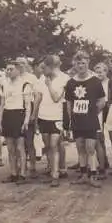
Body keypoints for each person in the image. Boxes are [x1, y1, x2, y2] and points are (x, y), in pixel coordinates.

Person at [65, 51, 106, 188]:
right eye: (78, 63)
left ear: (88, 63)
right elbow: (69, 103)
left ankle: (93, 174)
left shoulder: (95, 81)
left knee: (90, 147)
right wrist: (71, 119)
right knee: (80, 147)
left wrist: (93, 112)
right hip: (77, 120)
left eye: (83, 62)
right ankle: (83, 174)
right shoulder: (71, 83)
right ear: (74, 64)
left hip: (90, 120)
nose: (81, 65)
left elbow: (102, 100)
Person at [34, 55, 68, 187]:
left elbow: (56, 98)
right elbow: (38, 98)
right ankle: (51, 169)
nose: (42, 70)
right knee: (47, 145)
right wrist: (34, 115)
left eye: (44, 67)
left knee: (54, 145)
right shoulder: (41, 79)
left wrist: (49, 85)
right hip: (43, 116)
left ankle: (56, 174)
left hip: (56, 117)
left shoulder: (62, 79)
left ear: (51, 67)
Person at [0, 60, 31, 184]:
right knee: (10, 148)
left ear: (18, 70)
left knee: (20, 147)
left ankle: (22, 174)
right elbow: (1, 105)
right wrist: (0, 122)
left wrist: (26, 121)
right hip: (7, 115)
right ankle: (13, 173)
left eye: (11, 69)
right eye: (7, 69)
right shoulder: (4, 85)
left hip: (19, 115)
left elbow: (28, 105)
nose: (8, 71)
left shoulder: (25, 84)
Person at [15, 57, 39, 178]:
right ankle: (20, 166)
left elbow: (36, 96)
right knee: (18, 142)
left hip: (29, 109)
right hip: (16, 111)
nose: (20, 65)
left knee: (29, 141)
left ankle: (33, 166)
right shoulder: (13, 77)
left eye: (22, 63)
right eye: (18, 63)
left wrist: (34, 114)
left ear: (27, 64)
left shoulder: (32, 78)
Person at [93, 62, 110, 179]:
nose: (99, 74)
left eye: (101, 72)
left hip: (108, 109)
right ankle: (103, 163)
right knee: (99, 138)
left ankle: (107, 164)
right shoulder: (95, 83)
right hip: (98, 110)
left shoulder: (109, 83)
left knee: (108, 138)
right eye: (97, 72)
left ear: (106, 72)